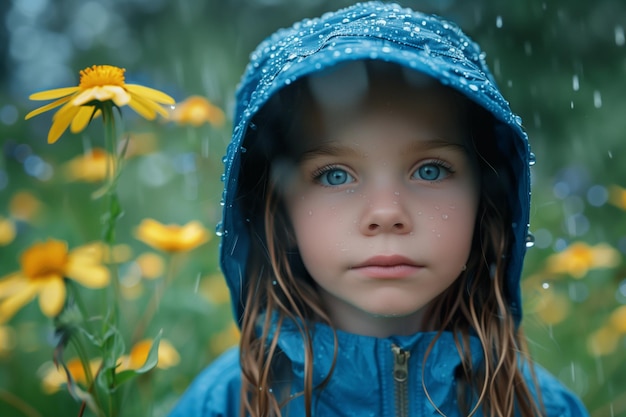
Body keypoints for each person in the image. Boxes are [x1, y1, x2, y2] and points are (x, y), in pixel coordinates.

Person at [168, 2, 590, 416]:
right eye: (335, 175)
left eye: (429, 170)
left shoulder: (540, 407)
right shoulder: (225, 404)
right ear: (278, 211)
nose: (387, 213)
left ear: (487, 199)